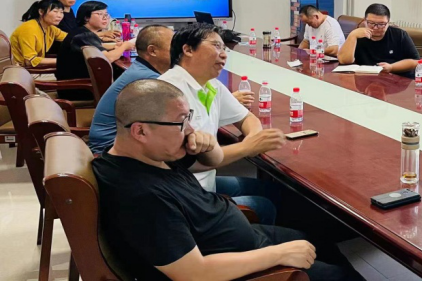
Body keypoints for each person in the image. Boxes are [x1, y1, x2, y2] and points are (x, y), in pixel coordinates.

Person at [93, 79, 360, 281]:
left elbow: (208, 161)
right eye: (181, 123)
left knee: (318, 238)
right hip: (237, 266)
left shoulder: (149, 153)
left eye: (189, 118)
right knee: (341, 276)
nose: (190, 130)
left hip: (243, 240)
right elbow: (192, 273)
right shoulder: (141, 196)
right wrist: (278, 255)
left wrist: (207, 144)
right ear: (140, 131)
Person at [159, 24, 288, 225]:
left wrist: (255, 137)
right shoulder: (169, 92)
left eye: (224, 49)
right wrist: (247, 147)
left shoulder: (210, 84)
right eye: (216, 46)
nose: (224, 55)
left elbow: (247, 118)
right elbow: (184, 164)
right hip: (185, 195)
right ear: (188, 49)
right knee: (264, 206)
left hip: (205, 181)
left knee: (274, 191)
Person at [88, 25, 173, 155]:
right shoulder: (148, 79)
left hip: (112, 143)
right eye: (173, 46)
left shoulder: (141, 69)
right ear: (152, 51)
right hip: (109, 149)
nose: (180, 51)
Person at [55, 1, 136, 100]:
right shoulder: (84, 35)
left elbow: (96, 47)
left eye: (106, 14)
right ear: (86, 17)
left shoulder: (81, 32)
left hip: (77, 85)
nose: (105, 18)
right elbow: (107, 58)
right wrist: (124, 46)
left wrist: (116, 46)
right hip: (79, 89)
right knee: (132, 82)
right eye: (100, 14)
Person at [338, 3, 420, 78]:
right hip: (367, 79)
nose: (375, 27)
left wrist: (392, 67)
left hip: (397, 80)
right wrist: (352, 36)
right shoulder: (358, 35)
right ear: (364, 21)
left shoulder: (399, 35)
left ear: (388, 23)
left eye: (381, 24)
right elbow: (344, 61)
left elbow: (416, 61)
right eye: (371, 23)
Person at [53, 0, 121, 41]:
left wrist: (101, 38)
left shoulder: (70, 11)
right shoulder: (56, 16)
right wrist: (102, 34)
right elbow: (71, 37)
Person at [9, 0, 66, 67]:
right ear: (41, 12)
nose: (59, 16)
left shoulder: (50, 28)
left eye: (61, 12)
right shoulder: (29, 28)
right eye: (55, 11)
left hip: (34, 68)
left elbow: (69, 38)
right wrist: (61, 61)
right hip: (21, 70)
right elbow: (29, 60)